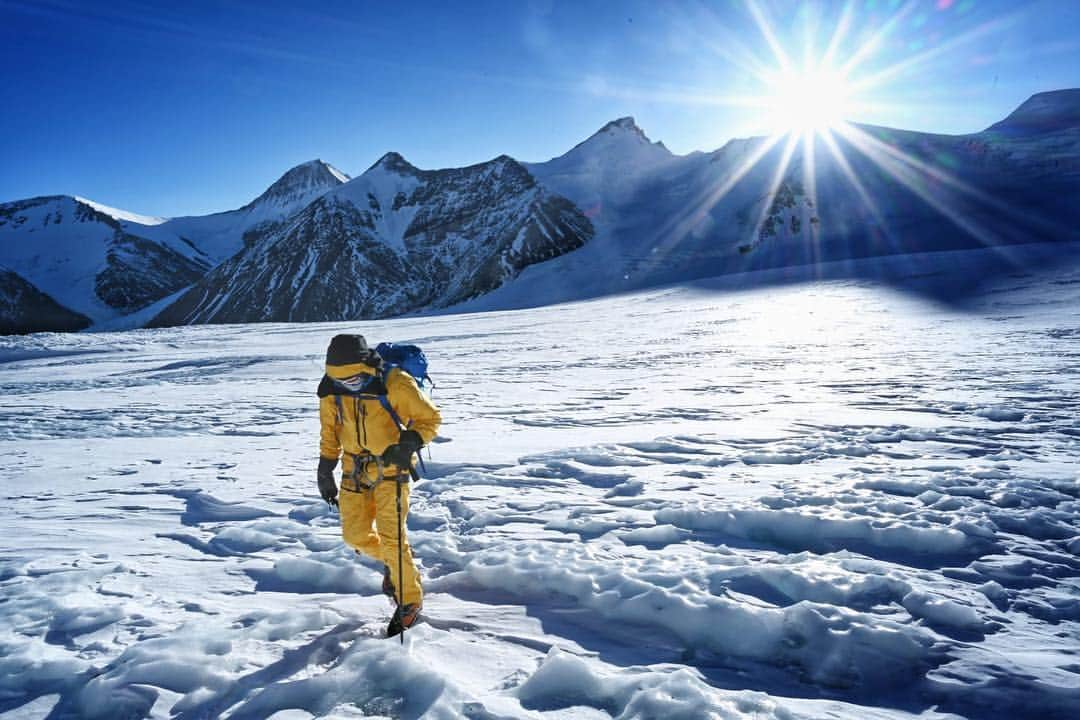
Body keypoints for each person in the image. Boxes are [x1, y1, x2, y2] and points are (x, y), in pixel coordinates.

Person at [315, 334, 441, 635]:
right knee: (355, 536)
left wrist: (408, 443)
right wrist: (325, 467)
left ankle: (409, 600)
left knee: (392, 536)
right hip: (353, 466)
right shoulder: (332, 388)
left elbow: (429, 419)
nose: (349, 386)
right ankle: (398, 566)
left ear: (366, 366)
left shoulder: (394, 382)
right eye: (342, 382)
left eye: (355, 380)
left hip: (392, 465)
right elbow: (330, 429)